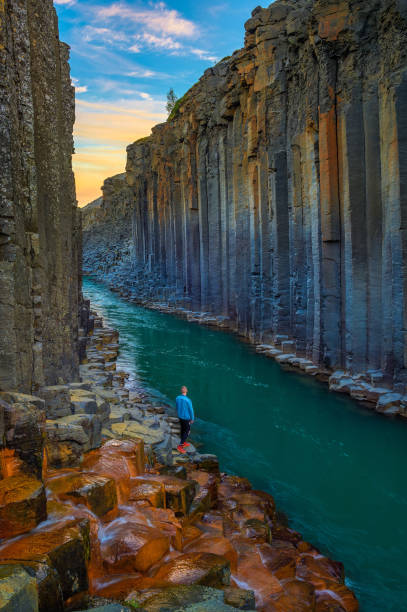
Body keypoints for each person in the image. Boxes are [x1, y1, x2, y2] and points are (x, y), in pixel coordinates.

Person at [176, 385, 194, 454]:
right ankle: (180, 446)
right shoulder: (188, 400)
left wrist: (178, 414)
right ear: (186, 391)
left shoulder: (177, 398)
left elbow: (177, 407)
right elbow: (191, 410)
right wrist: (192, 419)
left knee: (183, 429)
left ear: (181, 391)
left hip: (180, 417)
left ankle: (183, 442)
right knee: (187, 431)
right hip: (186, 418)